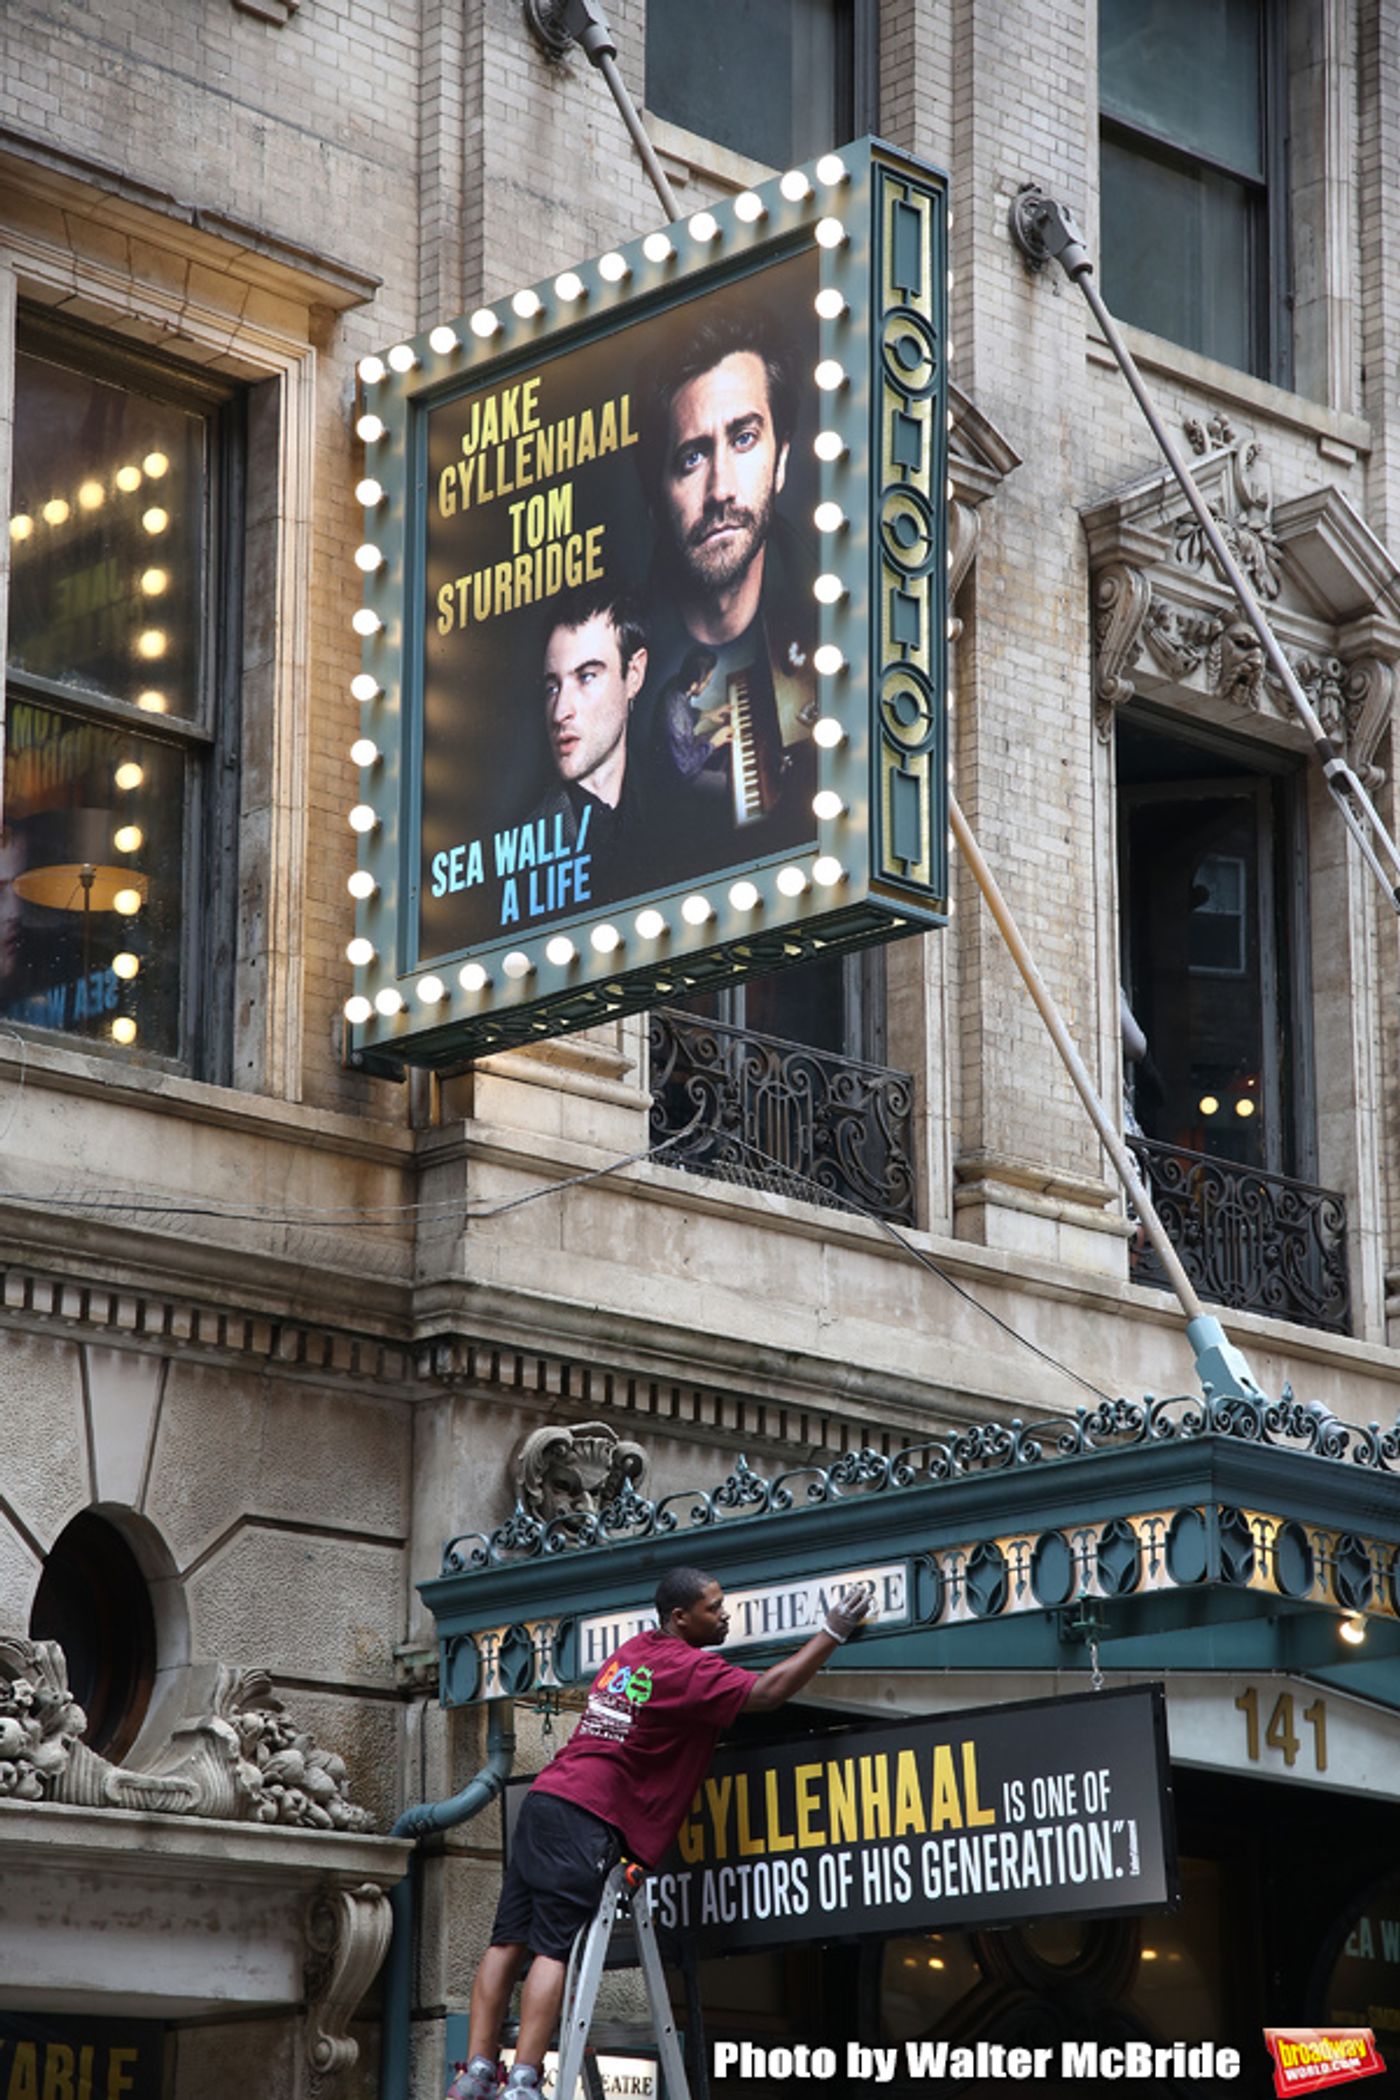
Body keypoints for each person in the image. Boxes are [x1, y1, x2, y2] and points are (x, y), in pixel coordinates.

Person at [446, 1565, 874, 2100]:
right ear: (679, 1617)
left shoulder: (632, 1651)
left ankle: (476, 2072)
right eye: (713, 1608)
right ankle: (526, 2080)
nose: (725, 1615)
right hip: (589, 1812)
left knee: (507, 1940)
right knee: (552, 1949)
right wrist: (831, 1631)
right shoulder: (688, 1670)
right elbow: (770, 1692)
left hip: (546, 1799)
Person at [633, 304, 817, 877]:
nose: (720, 490)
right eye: (692, 457)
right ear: (655, 488)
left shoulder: (840, 627)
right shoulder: (617, 668)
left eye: (743, 438)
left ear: (781, 459)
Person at [522, 585, 648, 907]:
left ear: (633, 675)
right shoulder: (531, 850)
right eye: (552, 687)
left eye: (587, 676)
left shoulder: (670, 797)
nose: (561, 710)